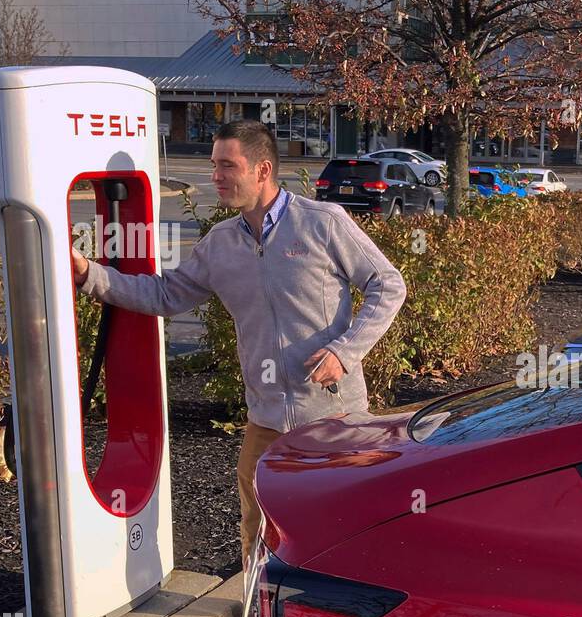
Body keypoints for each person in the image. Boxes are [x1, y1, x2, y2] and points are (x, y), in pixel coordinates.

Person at [70, 119, 407, 566]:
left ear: (262, 169)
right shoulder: (220, 244)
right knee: (259, 531)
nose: (216, 176)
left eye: (227, 165)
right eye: (214, 165)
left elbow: (388, 284)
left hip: (334, 416)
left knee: (343, 530)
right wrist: (89, 274)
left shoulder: (323, 223)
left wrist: (345, 353)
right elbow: (165, 294)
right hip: (265, 421)